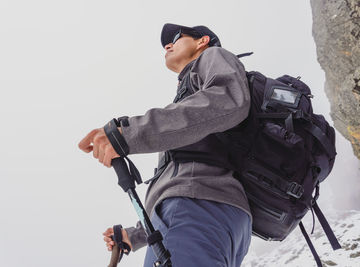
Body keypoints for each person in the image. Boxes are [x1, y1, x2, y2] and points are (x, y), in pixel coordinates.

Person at [79, 23, 252, 267]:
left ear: (202, 41)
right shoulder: (191, 96)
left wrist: (128, 135)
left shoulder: (213, 56)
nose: (167, 45)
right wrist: (137, 235)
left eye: (176, 38)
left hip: (196, 208)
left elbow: (230, 100)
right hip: (205, 213)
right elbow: (190, 168)